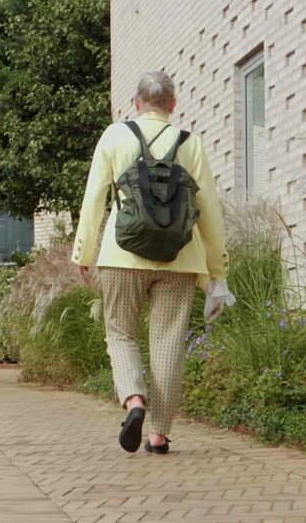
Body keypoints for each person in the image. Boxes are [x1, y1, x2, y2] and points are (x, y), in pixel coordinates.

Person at [72, 71, 229, 454]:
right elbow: (208, 210)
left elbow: (95, 199)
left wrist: (84, 252)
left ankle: (134, 400)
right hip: (179, 259)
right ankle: (158, 434)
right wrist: (216, 271)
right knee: (168, 345)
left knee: (121, 333)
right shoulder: (190, 143)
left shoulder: (114, 135)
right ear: (172, 105)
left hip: (121, 255)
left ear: (137, 102)